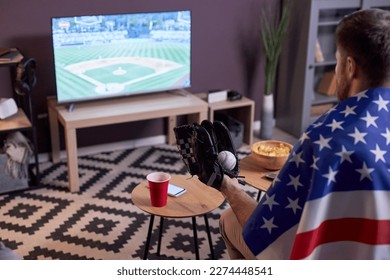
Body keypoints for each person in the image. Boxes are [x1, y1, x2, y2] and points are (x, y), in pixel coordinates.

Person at [217, 8, 390, 259]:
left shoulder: (324, 137)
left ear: (350, 67)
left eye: (338, 61)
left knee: (229, 220)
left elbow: (265, 231)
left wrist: (226, 185)